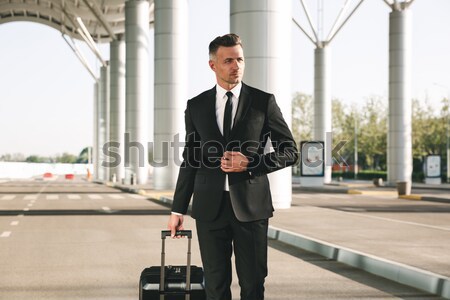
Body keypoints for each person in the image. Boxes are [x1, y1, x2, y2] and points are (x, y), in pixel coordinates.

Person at [167, 33, 298, 300]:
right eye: (228, 60)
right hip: (209, 208)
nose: (235, 65)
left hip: (251, 208)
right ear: (213, 65)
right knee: (215, 286)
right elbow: (190, 158)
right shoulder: (196, 106)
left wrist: (251, 163)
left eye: (239, 59)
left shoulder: (264, 102)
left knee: (252, 285)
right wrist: (178, 208)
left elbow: (290, 151)